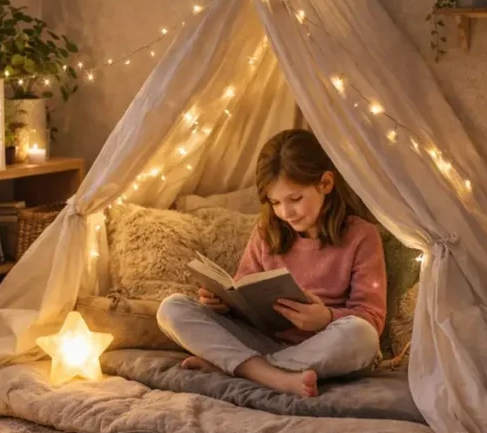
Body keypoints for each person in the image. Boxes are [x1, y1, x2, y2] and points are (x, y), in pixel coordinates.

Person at [156, 129, 387, 398]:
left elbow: (371, 317)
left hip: (322, 347)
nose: (285, 213)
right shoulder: (267, 231)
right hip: (262, 341)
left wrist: (326, 318)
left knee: (362, 335)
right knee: (172, 308)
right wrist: (223, 304)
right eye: (276, 202)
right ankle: (271, 375)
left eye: (295, 199)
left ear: (325, 183)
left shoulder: (361, 235)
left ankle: (240, 367)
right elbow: (243, 291)